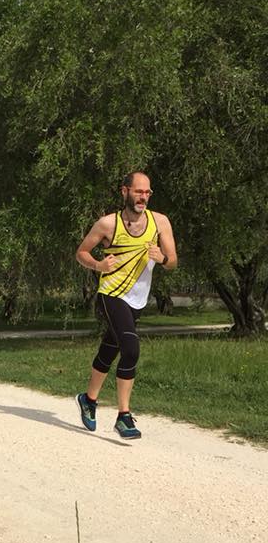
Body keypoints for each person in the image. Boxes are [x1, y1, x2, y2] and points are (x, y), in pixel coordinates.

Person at [75, 171, 177, 439]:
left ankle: (88, 399)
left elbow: (173, 261)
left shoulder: (160, 222)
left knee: (111, 348)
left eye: (147, 192)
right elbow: (81, 253)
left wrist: (162, 258)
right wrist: (98, 265)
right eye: (138, 191)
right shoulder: (108, 224)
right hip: (111, 293)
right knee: (130, 349)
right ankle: (124, 416)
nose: (143, 197)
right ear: (125, 192)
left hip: (138, 298)